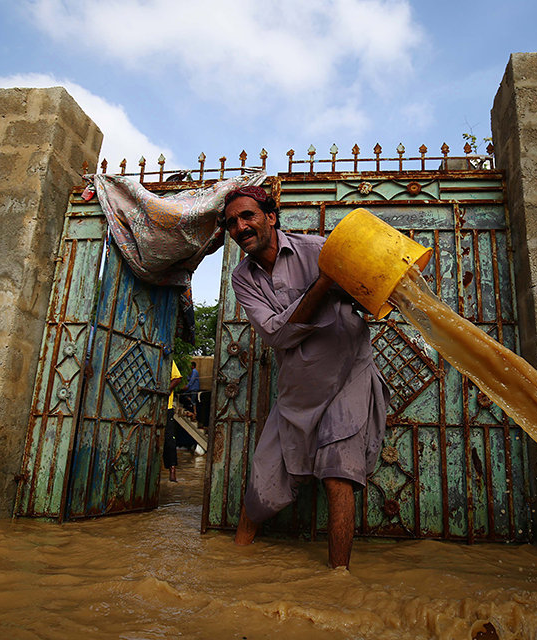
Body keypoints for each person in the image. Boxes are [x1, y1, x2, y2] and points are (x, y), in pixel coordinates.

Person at [220, 185, 389, 569]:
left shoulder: (319, 250)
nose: (241, 227)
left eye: (248, 216)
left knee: (338, 474)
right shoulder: (243, 279)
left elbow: (375, 299)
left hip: (348, 376)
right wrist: (324, 283)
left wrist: (358, 280)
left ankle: (338, 580)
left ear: (270, 217)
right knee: (262, 488)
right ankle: (229, 564)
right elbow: (275, 334)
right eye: (232, 223)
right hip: (298, 387)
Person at [164, 360, 183, 482]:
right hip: (148, 407)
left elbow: (177, 379)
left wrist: (165, 392)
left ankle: (172, 470)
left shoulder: (167, 360)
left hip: (167, 407)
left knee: (169, 439)